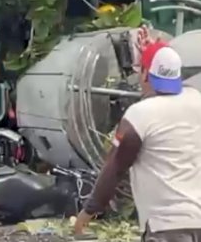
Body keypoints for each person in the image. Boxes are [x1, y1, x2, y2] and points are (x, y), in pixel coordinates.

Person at [75, 40, 201, 241]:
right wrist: (158, 53)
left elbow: (114, 168)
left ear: (144, 74)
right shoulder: (196, 99)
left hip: (166, 228)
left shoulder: (139, 116)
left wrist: (89, 210)